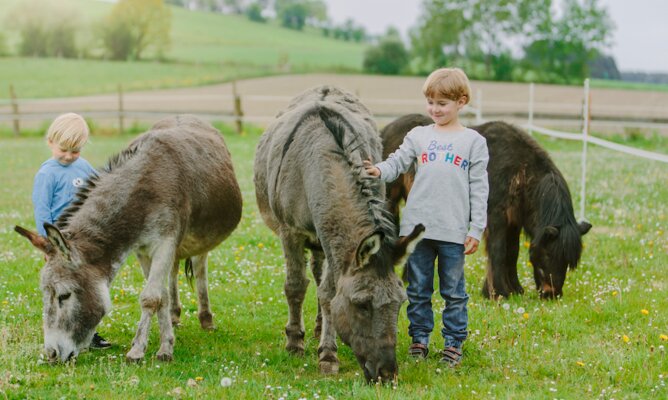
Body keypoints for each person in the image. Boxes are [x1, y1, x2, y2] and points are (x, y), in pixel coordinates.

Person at [364, 67, 489, 366]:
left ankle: (453, 343)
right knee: (418, 290)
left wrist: (476, 228)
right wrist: (379, 170)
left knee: (454, 292)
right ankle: (419, 339)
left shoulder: (473, 142)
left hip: (453, 232)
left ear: (461, 101)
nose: (435, 109)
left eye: (442, 103)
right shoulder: (418, 136)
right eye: (430, 102)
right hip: (417, 231)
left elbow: (480, 188)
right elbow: (398, 162)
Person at [32, 112, 111, 349]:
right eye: (63, 149)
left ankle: (88, 331)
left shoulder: (84, 167)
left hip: (83, 245)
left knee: (86, 287)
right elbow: (42, 211)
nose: (68, 156)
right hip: (60, 245)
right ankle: (58, 328)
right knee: (63, 289)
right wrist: (49, 245)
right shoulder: (47, 174)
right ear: (50, 142)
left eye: (75, 151)